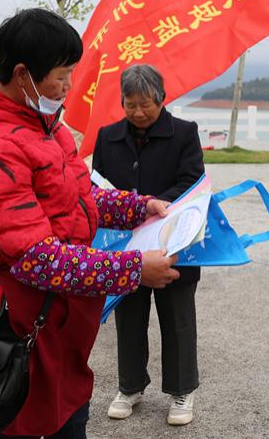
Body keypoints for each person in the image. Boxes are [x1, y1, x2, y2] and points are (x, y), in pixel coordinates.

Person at [0, 9, 180, 439]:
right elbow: (34, 257)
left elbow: (79, 196)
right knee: (26, 423)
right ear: (23, 73)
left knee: (69, 414)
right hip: (19, 315)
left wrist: (139, 208)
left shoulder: (46, 125)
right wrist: (134, 270)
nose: (67, 87)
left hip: (58, 310)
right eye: (61, 76)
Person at [92, 64, 205, 426]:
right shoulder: (107, 136)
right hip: (125, 247)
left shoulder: (185, 133)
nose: (138, 112)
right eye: (130, 104)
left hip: (174, 243)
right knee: (129, 318)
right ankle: (130, 386)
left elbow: (192, 182)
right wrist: (126, 208)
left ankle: (182, 391)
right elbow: (95, 188)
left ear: (162, 98)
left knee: (178, 319)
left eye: (146, 104)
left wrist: (152, 208)